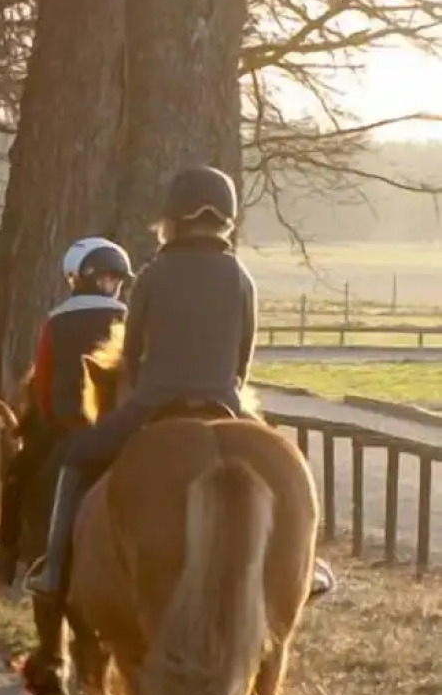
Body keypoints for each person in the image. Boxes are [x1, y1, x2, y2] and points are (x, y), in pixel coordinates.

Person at [24, 164, 334, 601]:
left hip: (152, 403)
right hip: (225, 402)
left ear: (172, 219)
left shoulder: (154, 274)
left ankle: (54, 568)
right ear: (226, 218)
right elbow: (242, 359)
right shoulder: (241, 277)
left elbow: (131, 354)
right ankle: (307, 563)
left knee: (77, 454)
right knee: (286, 467)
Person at [0, 238, 132, 583]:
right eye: (108, 278)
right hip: (121, 424)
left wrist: (45, 416)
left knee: (17, 475)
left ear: (75, 277)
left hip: (65, 424)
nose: (111, 285)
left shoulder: (58, 320)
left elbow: (43, 375)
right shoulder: (127, 317)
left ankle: (6, 553)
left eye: (113, 279)